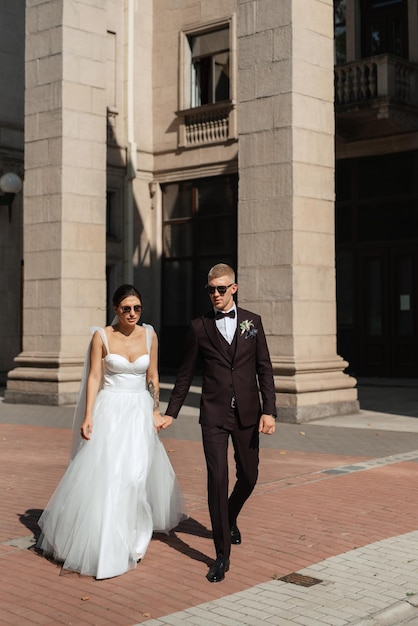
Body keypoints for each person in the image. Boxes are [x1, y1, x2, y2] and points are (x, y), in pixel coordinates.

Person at [37, 284, 187, 579]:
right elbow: (95, 376)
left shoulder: (150, 335)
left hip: (139, 412)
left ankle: (135, 535)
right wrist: (88, 415)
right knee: (111, 475)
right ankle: (110, 543)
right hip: (110, 412)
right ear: (115, 309)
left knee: (136, 476)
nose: (132, 314)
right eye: (126, 308)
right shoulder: (102, 336)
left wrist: (156, 411)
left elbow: (153, 376)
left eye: (137, 308)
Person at [162, 263, 276, 583]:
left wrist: (270, 410)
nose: (215, 294)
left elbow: (263, 368)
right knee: (217, 479)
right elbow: (185, 374)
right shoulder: (199, 327)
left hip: (248, 414)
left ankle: (230, 515)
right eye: (210, 289)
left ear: (234, 289)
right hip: (213, 414)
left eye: (221, 289)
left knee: (249, 476)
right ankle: (221, 555)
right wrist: (171, 412)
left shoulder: (251, 323)